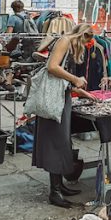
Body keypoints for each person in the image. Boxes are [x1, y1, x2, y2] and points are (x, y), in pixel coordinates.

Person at [32, 23, 95, 208]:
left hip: (60, 98)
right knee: (56, 142)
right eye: (86, 41)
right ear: (83, 35)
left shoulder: (67, 42)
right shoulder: (65, 41)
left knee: (61, 142)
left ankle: (59, 185)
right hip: (54, 101)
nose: (84, 46)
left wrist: (78, 91)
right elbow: (52, 67)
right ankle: (55, 192)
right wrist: (75, 79)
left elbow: (59, 75)